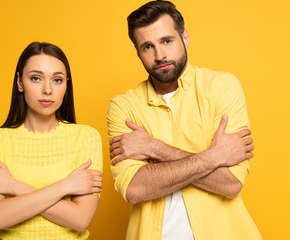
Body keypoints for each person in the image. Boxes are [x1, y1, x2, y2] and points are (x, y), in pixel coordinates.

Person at [107, 1, 261, 239]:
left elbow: (230, 184)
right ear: (138, 53)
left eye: (167, 41)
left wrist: (153, 148)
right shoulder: (123, 107)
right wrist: (215, 157)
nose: (160, 55)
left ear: (185, 38)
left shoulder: (222, 87)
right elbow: (135, 188)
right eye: (148, 47)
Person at [0, 42, 103, 240]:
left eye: (57, 80)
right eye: (36, 78)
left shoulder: (85, 137)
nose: (47, 90)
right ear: (20, 82)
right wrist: (65, 186)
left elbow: (80, 219)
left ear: (66, 85)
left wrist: (13, 186)